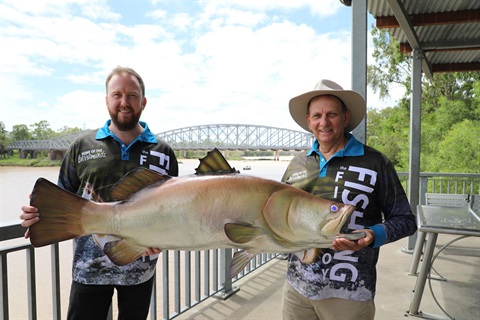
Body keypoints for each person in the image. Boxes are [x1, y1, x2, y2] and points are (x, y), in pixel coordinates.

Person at [20, 66, 179, 320]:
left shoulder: (163, 151)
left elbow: (171, 212)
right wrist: (37, 215)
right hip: (88, 271)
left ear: (144, 101)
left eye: (132, 95)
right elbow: (63, 198)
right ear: (107, 100)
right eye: (117, 95)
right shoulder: (82, 146)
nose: (124, 102)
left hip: (140, 271)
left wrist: (164, 238)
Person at [281, 79, 417, 320]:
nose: (324, 122)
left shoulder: (375, 162)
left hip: (349, 293)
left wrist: (373, 235)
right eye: (317, 116)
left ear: (345, 118)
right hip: (296, 289)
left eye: (331, 114)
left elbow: (405, 220)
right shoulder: (298, 163)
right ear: (308, 121)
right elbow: (280, 215)